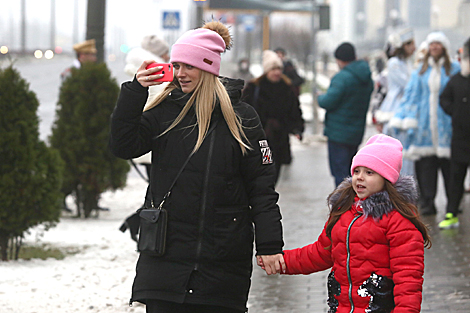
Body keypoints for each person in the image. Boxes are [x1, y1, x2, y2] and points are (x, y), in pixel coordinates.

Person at [109, 21, 284, 313]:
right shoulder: (165, 110)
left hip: (222, 264)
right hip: (165, 261)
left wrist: (269, 245)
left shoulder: (242, 118)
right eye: (176, 65)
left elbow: (262, 189)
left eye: (188, 66)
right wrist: (135, 91)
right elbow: (123, 145)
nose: (180, 74)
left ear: (208, 68)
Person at [258, 134, 431, 313]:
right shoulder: (344, 210)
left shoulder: (399, 219)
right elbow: (320, 253)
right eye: (357, 171)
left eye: (369, 172)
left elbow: (408, 279)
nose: (360, 178)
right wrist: (282, 261)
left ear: (386, 178)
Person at [390, 31, 460, 216]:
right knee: (426, 169)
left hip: (447, 127)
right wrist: (403, 117)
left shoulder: (454, 68)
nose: (434, 47)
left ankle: (453, 203)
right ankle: (428, 202)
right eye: (432, 44)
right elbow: (411, 95)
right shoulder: (421, 70)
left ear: (444, 47)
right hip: (424, 128)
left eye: (438, 44)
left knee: (450, 169)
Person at [242, 50, 304, 184]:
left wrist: (297, 129)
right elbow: (243, 111)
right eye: (273, 69)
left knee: (276, 170)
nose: (277, 72)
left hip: (280, 139)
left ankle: (267, 195)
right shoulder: (254, 88)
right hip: (263, 139)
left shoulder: (287, 88)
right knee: (266, 169)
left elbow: (294, 111)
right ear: (266, 70)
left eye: (279, 69)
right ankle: (264, 197)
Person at [318, 42, 374, 187]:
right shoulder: (366, 77)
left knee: (340, 174)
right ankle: (354, 203)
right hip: (356, 132)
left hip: (338, 134)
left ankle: (343, 206)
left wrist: (319, 97)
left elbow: (328, 101)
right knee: (352, 172)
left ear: (340, 59)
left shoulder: (342, 78)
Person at [124, 35, 170, 179]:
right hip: (155, 134)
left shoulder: (140, 72)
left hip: (145, 132)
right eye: (165, 52)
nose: (168, 56)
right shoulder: (158, 75)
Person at [438, 38, 470, 229]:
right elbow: (444, 99)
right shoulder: (456, 81)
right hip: (460, 138)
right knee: (456, 177)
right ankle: (451, 213)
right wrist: (455, 112)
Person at [375, 28, 416, 175]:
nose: (413, 48)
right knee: (396, 150)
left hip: (407, 107)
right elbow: (409, 84)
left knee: (407, 150)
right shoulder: (394, 63)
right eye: (409, 44)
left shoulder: (408, 63)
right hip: (396, 107)